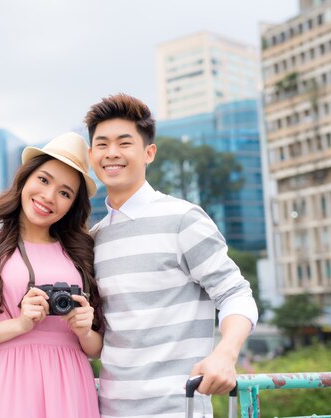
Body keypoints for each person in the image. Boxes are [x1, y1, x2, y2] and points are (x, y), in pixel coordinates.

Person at [85, 94, 258, 418]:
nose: (112, 154)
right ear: (91, 155)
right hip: (108, 411)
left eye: (124, 143)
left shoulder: (183, 219)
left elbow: (236, 293)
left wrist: (225, 354)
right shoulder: (95, 239)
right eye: (102, 144)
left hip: (179, 409)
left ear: (149, 152)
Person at [0, 132, 103, 418]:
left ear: (72, 205)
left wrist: (84, 330)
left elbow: (97, 348)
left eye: (65, 193)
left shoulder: (82, 252)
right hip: (9, 387)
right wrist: (20, 325)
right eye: (43, 180)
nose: (49, 196)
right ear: (25, 178)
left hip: (74, 388)